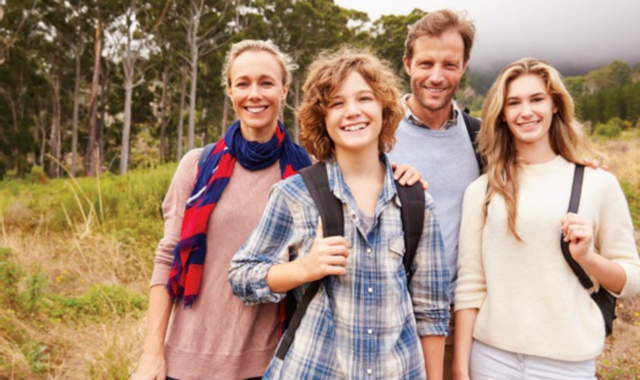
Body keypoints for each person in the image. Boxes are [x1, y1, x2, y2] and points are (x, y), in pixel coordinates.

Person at [133, 39, 422, 380]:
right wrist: (152, 354)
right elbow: (168, 259)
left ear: (285, 89)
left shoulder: (311, 175)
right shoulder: (197, 166)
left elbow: (367, 178)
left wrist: (403, 176)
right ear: (230, 91)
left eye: (266, 82)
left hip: (271, 360)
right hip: (187, 356)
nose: (254, 94)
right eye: (243, 83)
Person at [228, 48, 450, 379]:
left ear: (384, 108)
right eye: (336, 103)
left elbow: (431, 310)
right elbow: (242, 275)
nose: (352, 112)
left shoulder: (416, 202)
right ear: (322, 119)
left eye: (364, 99)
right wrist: (303, 268)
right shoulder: (296, 194)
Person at [453, 58, 640, 380]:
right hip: (491, 359)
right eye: (514, 103)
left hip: (566, 364)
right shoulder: (483, 190)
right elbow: (470, 286)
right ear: (502, 114)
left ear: (555, 104)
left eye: (536, 99)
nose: (526, 111)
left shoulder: (597, 182)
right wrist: (459, 368)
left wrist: (588, 257)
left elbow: (630, 282)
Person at [386, 10, 479, 379]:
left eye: (450, 64)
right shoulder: (375, 130)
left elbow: (538, 163)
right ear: (408, 63)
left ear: (464, 66)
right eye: (426, 63)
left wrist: (580, 165)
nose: (437, 76)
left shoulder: (482, 138)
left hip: (460, 324)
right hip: (387, 320)